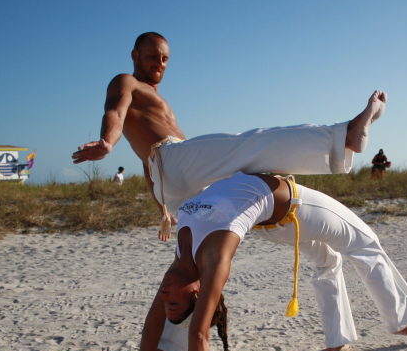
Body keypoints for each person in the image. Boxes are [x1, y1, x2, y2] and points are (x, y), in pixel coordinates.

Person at [135, 172, 407, 351]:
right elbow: (199, 333)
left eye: (165, 301)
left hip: (271, 224)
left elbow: (153, 321)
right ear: (197, 292)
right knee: (366, 244)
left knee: (328, 261)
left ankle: (336, 340)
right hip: (296, 211)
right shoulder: (213, 261)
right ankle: (400, 321)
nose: (163, 295)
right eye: (173, 302)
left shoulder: (179, 267)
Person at [72, 32, 387, 240]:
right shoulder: (126, 81)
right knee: (250, 144)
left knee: (249, 197)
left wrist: (164, 208)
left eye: (165, 58)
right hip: (173, 160)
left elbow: (148, 161)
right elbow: (115, 110)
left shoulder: (157, 102)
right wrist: (108, 142)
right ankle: (346, 134)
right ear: (135, 55)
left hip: (174, 179)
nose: (159, 63)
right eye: (153, 56)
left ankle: (316, 241)